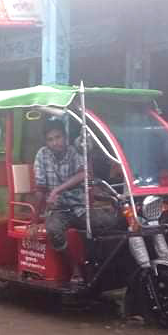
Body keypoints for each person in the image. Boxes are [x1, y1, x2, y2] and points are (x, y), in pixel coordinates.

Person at [34, 119, 115, 287]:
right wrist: (35, 218)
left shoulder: (75, 151)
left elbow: (83, 175)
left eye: (58, 137)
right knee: (54, 230)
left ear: (65, 137)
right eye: (50, 139)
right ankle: (75, 268)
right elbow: (40, 188)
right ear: (46, 142)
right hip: (58, 210)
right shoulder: (42, 155)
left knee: (110, 222)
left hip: (79, 207)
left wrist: (57, 190)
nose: (55, 142)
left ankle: (101, 266)